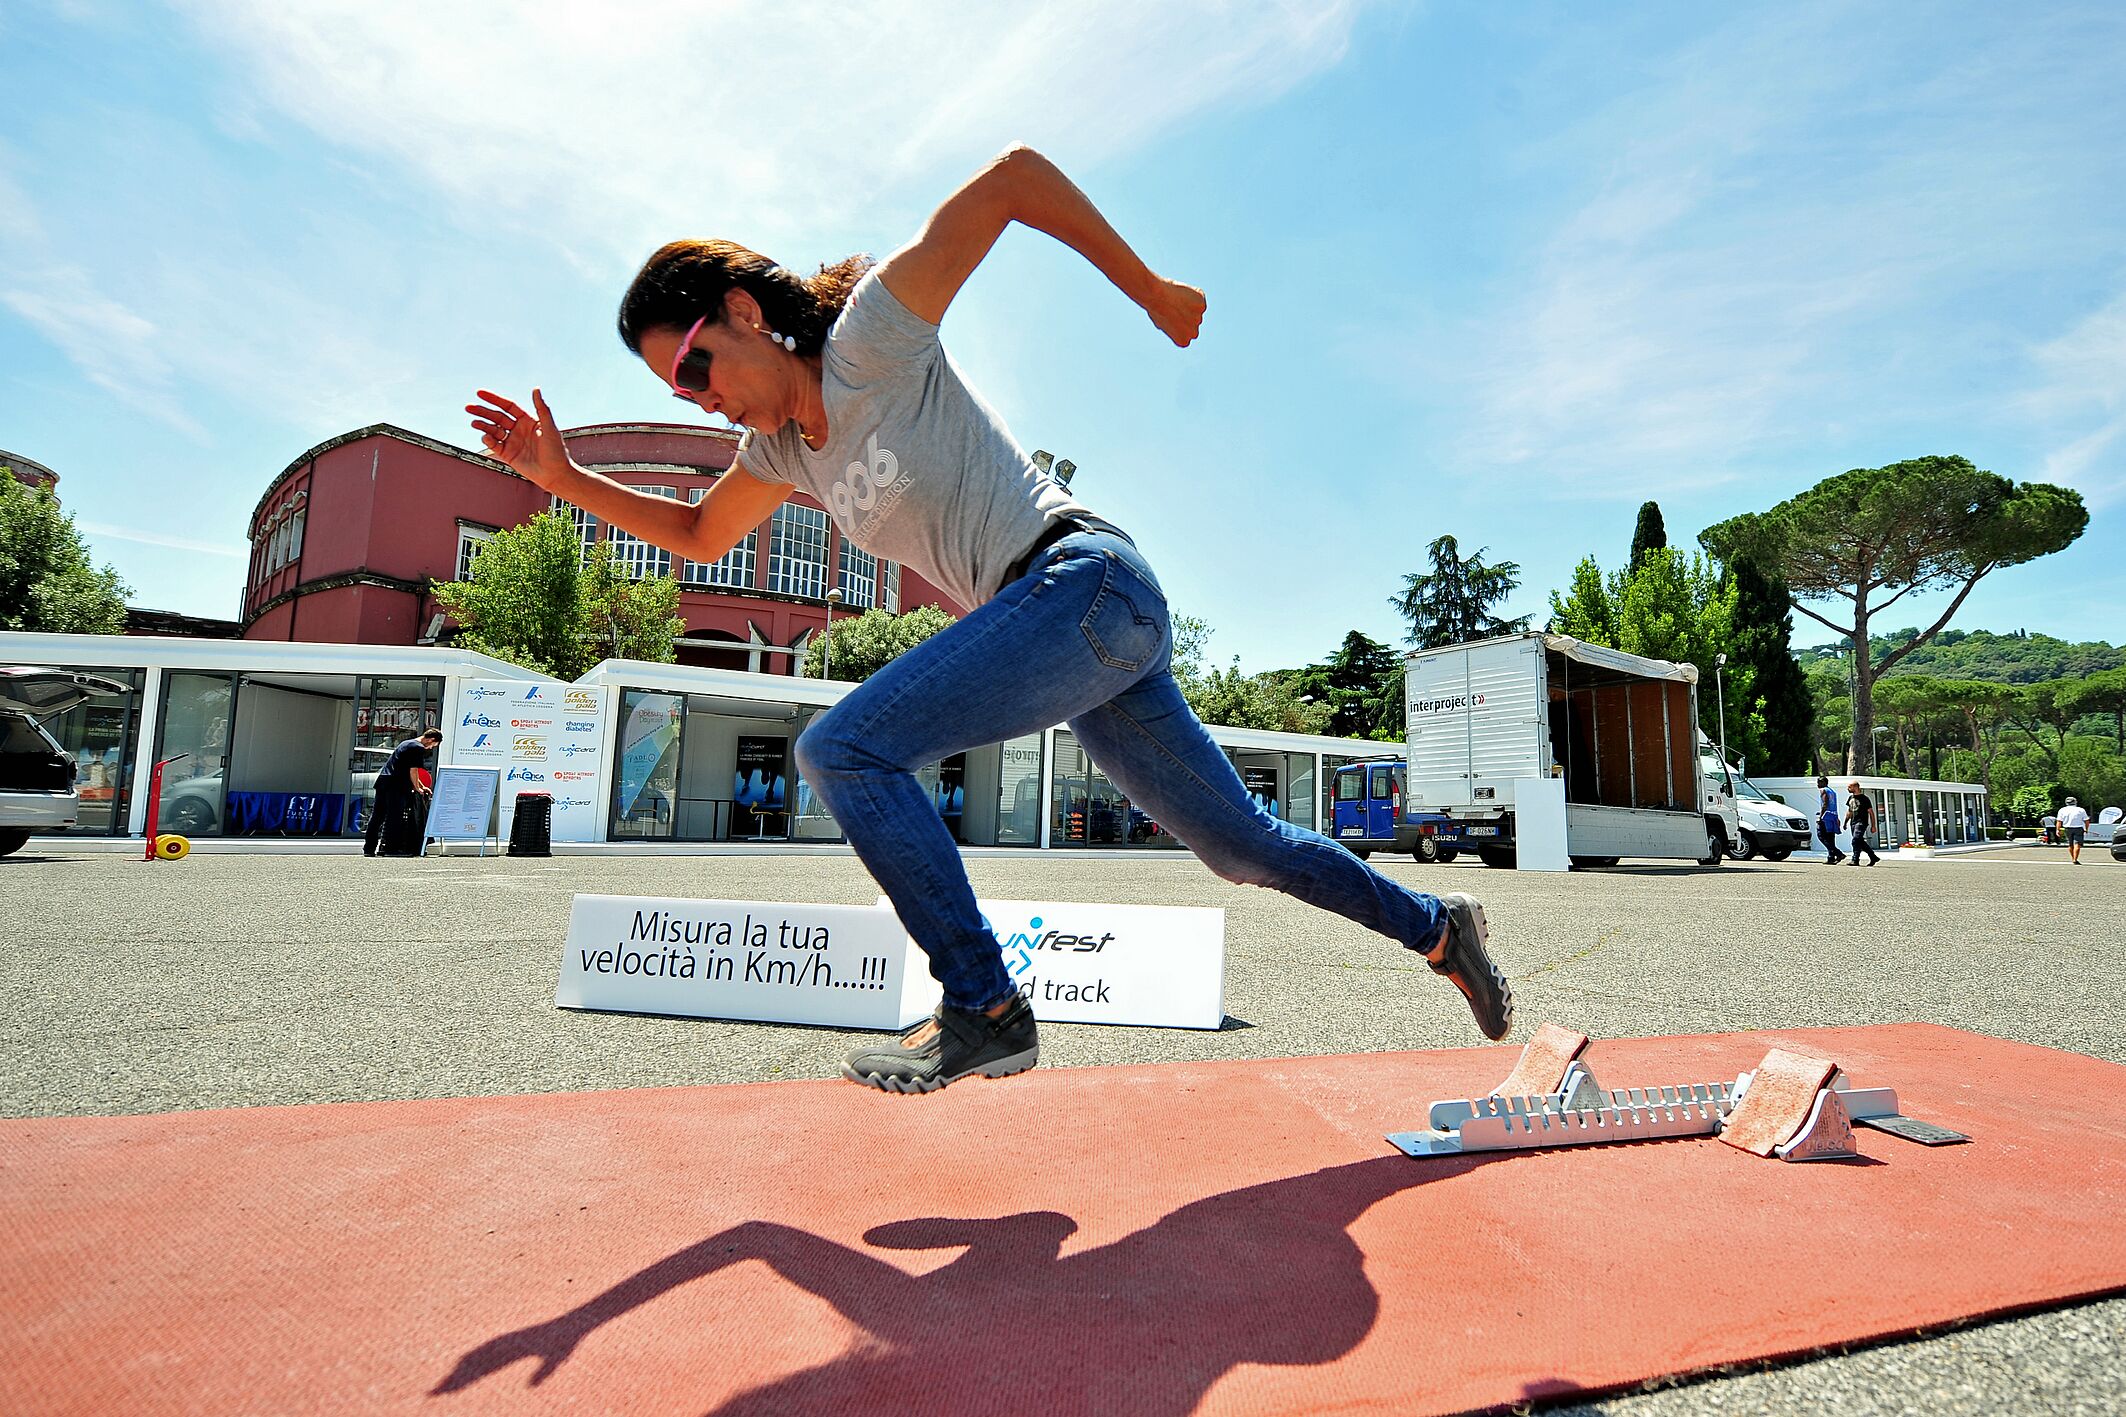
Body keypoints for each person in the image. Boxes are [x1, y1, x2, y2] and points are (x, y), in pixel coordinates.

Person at [467, 146, 1514, 1094]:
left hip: (1084, 581)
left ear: (743, 312)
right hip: (1081, 635)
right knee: (1242, 846)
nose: (697, 399)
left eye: (693, 367)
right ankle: (1439, 929)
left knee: (843, 747)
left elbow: (1013, 180)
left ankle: (985, 1004)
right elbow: (700, 532)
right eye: (675, 391)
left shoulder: (869, 337)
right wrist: (561, 478)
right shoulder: (782, 454)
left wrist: (1150, 291)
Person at [365, 728, 440, 857]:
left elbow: (406, 768)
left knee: (377, 816)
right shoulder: (418, 748)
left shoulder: (406, 743)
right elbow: (413, 771)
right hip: (397, 785)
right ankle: (391, 849)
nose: (430, 748)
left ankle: (368, 848)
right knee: (394, 817)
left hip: (384, 781)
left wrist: (422, 786)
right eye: (433, 745)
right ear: (431, 740)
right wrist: (418, 788)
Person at [1844, 781, 1880, 866]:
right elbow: (1850, 811)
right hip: (1853, 822)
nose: (1848, 789)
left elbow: (1871, 812)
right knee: (1859, 841)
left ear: (1855, 787)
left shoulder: (1864, 798)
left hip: (1861, 822)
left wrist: (1873, 826)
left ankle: (1855, 859)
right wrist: (1845, 822)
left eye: (1849, 787)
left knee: (1856, 839)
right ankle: (1873, 857)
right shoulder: (1850, 798)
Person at [1815, 775, 1845, 864]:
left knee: (1821, 836)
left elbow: (1825, 804)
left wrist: (1820, 816)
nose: (1817, 785)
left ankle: (1838, 853)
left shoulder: (1823, 790)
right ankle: (1831, 857)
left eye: (1819, 783)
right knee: (1830, 838)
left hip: (1826, 816)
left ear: (1823, 783)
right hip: (1833, 815)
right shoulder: (1832, 791)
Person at [2057, 796, 2091, 864]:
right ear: (2075, 802)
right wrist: (2086, 828)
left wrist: (2058, 830)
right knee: (2077, 844)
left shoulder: (2062, 810)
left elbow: (2059, 821)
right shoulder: (2080, 810)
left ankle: (2073, 858)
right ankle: (2075, 859)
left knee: (2070, 844)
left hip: (2067, 828)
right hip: (2078, 828)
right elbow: (2086, 820)